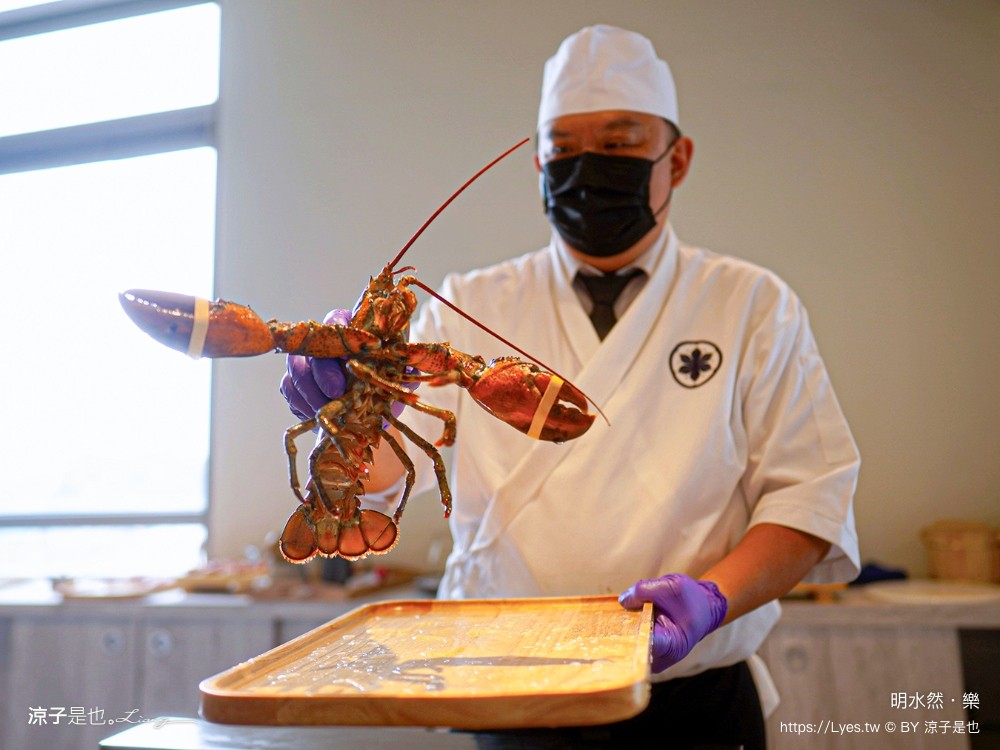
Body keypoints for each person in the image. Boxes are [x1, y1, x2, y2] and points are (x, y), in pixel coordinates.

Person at [282, 24, 860, 749]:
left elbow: (811, 498)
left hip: (691, 703)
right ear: (538, 166)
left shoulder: (751, 303)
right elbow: (390, 471)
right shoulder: (468, 301)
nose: (589, 167)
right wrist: (345, 411)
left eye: (618, 145)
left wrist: (715, 600)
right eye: (563, 150)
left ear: (676, 160)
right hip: (509, 692)